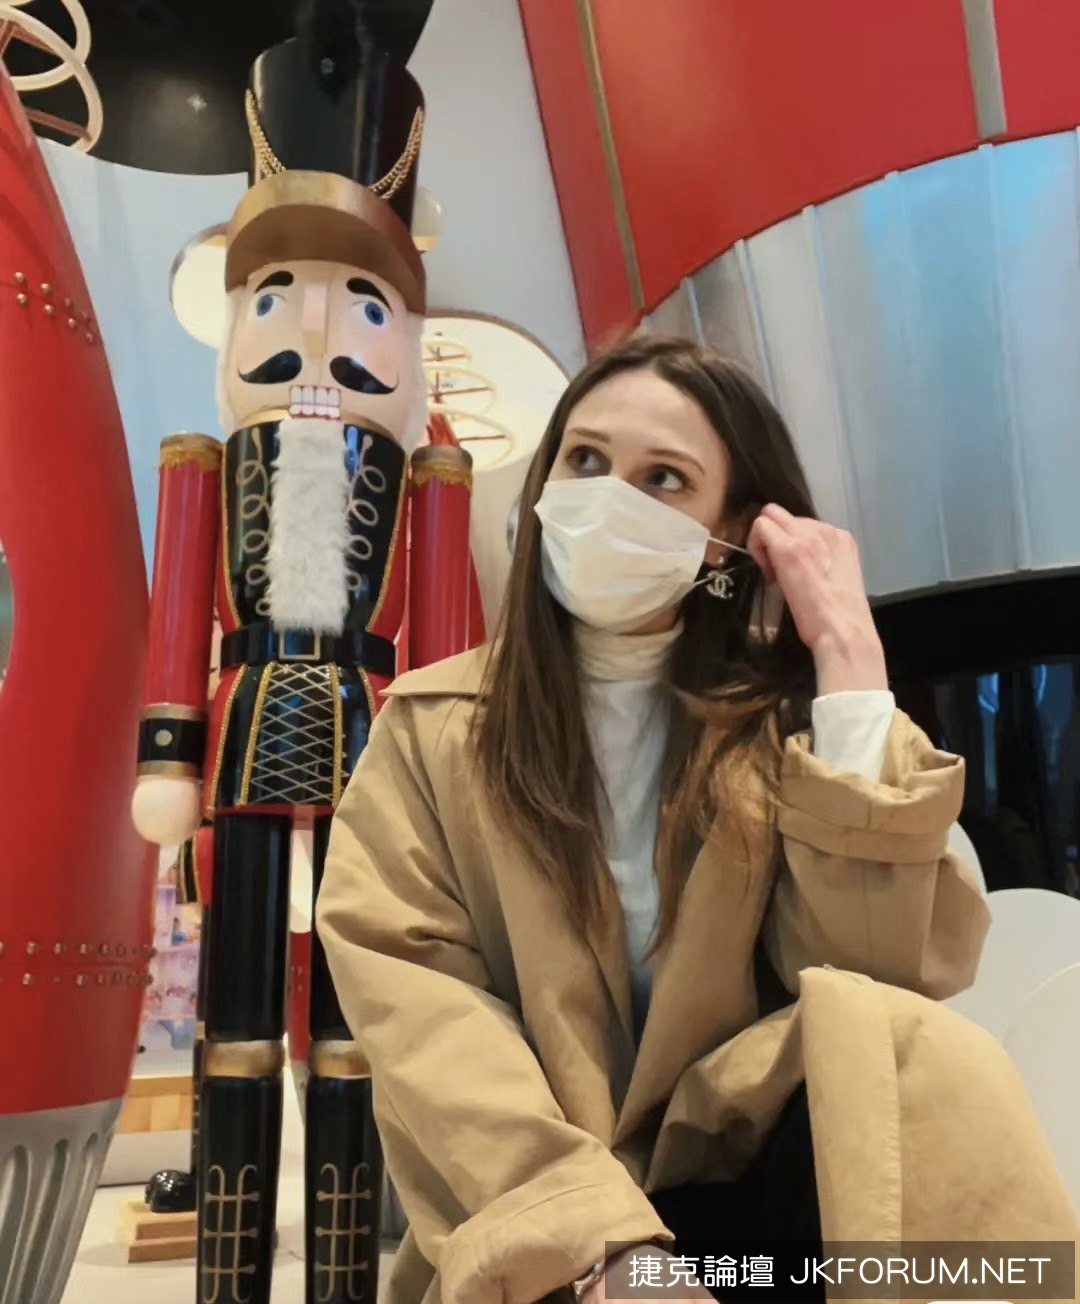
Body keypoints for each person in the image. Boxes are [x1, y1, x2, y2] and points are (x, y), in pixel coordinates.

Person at [318, 338, 1077, 1304]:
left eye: (663, 478)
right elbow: (429, 1019)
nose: (609, 498)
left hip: (747, 1217)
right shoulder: (431, 730)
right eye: (585, 459)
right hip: (543, 1223)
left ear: (730, 538)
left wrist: (849, 663)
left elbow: (867, 987)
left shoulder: (778, 733)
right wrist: (604, 1246)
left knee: (922, 1052)